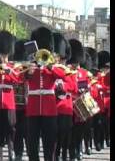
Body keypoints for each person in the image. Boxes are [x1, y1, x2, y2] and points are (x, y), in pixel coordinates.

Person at [26, 27, 66, 161]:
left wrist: (49, 65)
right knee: (32, 142)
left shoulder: (53, 66)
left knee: (49, 141)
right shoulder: (30, 66)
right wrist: (29, 72)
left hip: (49, 109)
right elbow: (20, 78)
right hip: (33, 109)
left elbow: (62, 75)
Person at [0, 30, 20, 161]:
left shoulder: (13, 66)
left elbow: (18, 80)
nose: (2, 56)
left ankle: (11, 152)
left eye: (4, 53)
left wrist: (9, 71)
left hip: (8, 102)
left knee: (10, 129)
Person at [53, 33, 76, 161]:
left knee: (65, 134)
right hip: (53, 106)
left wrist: (63, 85)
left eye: (59, 57)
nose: (58, 59)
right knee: (54, 134)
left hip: (66, 107)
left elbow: (74, 87)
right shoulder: (51, 69)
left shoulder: (69, 71)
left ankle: (64, 154)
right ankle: (55, 154)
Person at [67, 39, 91, 161]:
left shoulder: (83, 73)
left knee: (79, 131)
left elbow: (85, 89)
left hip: (80, 105)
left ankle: (78, 149)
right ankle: (72, 153)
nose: (75, 64)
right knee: (70, 132)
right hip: (68, 105)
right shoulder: (66, 71)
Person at [10, 39, 28, 161]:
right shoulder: (12, 67)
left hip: (27, 104)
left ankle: (29, 151)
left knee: (26, 130)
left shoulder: (28, 67)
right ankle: (18, 152)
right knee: (18, 131)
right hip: (15, 104)